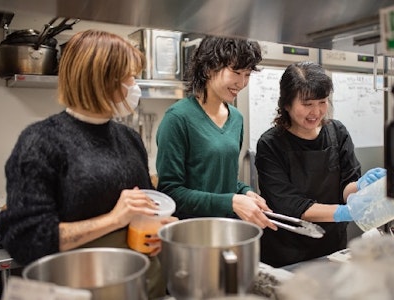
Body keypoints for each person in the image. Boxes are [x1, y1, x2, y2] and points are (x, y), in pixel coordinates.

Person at [0, 29, 176, 299]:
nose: (135, 86)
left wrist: (157, 228)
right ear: (103, 79)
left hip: (142, 287)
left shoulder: (129, 138)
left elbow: (140, 212)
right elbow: (26, 240)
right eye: (131, 76)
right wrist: (113, 219)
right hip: (84, 289)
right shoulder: (41, 142)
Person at [255, 61, 386, 267]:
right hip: (286, 252)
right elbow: (289, 205)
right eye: (307, 104)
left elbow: (347, 186)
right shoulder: (270, 144)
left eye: (322, 102)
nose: (316, 112)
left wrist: (362, 187)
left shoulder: (337, 132)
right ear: (287, 104)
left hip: (331, 247)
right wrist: (344, 212)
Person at [155, 36, 277, 231]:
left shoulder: (236, 118)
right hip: (191, 233)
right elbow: (170, 192)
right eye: (236, 72)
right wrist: (230, 202)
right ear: (208, 68)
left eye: (247, 74)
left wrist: (244, 191)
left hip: (228, 228)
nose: (242, 82)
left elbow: (223, 178)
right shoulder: (178, 118)